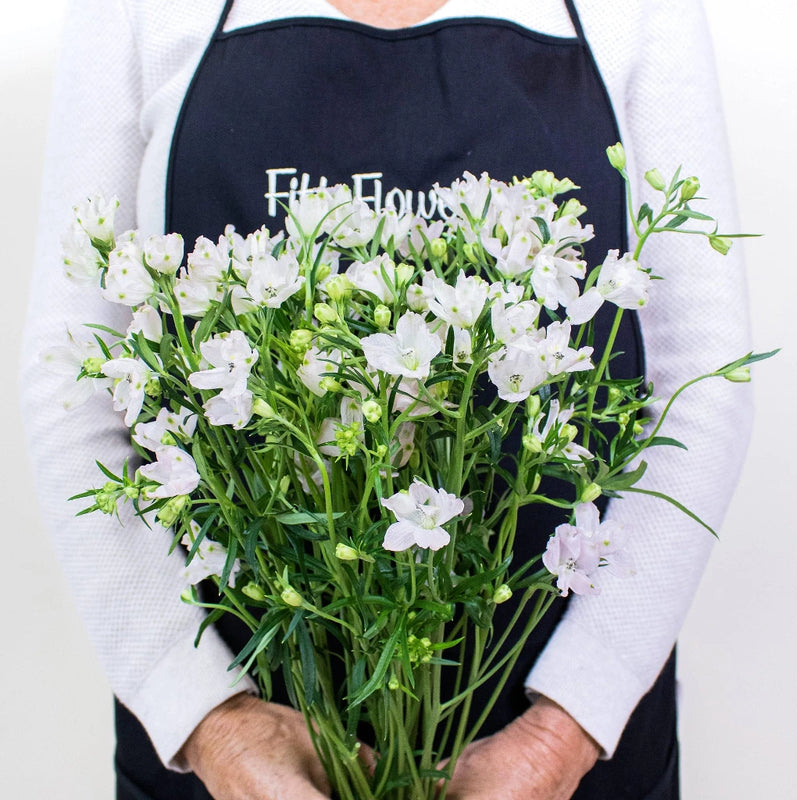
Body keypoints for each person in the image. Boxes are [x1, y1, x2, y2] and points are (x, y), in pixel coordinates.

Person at [20, 1, 752, 798]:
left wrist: (559, 733)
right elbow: (74, 384)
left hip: (558, 741)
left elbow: (702, 380)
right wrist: (207, 719)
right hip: (241, 755)